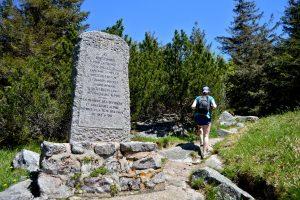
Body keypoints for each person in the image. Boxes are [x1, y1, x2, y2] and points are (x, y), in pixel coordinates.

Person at [191, 86, 217, 156]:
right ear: (208, 92)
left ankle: (201, 143)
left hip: (198, 117)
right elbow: (215, 106)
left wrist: (197, 108)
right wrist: (211, 107)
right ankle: (204, 152)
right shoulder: (210, 98)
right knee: (206, 135)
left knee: (200, 129)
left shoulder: (198, 98)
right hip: (206, 117)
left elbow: (193, 106)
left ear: (202, 91)